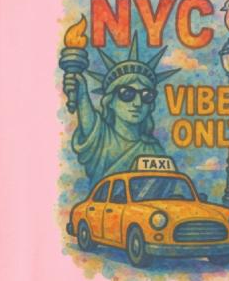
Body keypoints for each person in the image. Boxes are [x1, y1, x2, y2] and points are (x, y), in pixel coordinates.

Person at [62, 34, 178, 185]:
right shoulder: (101, 138)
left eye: (146, 96)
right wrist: (81, 94)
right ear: (110, 101)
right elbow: (87, 118)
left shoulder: (154, 150)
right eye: (127, 94)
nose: (138, 103)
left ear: (151, 105)